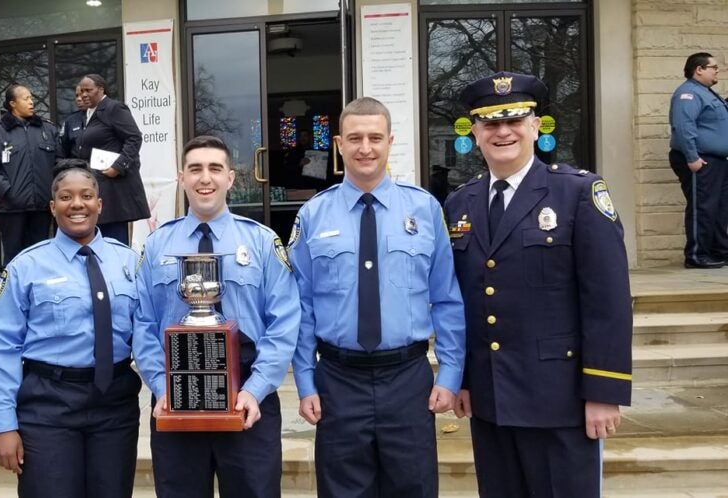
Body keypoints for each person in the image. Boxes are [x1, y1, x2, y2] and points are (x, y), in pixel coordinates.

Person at [444, 72, 633, 498]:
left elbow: (608, 301)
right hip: (491, 401)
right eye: (490, 123)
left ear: (536, 126)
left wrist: (604, 391)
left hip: (559, 400)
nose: (503, 132)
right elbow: (466, 301)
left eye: (515, 120)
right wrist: (464, 379)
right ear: (474, 133)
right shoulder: (460, 203)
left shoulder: (578, 193)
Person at [290, 97, 465, 497]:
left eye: (374, 137)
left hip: (408, 380)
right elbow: (301, 305)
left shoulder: (424, 209)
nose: (364, 148)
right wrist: (305, 380)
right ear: (338, 143)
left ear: (390, 141)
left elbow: (447, 298)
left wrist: (451, 374)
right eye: (354, 138)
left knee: (414, 488)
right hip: (337, 380)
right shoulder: (313, 216)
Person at [134, 135, 300, 497]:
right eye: (195, 169)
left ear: (230, 178)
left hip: (248, 393)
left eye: (214, 168)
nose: (204, 178)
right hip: (176, 392)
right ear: (182, 178)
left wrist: (256, 390)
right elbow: (143, 324)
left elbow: (284, 322)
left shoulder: (261, 241)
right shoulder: (158, 244)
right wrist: (163, 389)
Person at [0, 166, 142, 498]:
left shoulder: (130, 263)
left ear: (100, 204)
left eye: (86, 196)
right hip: (48, 405)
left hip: (114, 404)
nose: (77, 204)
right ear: (52, 206)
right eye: (66, 197)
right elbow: (3, 348)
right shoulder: (25, 266)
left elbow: (148, 333)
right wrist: (3, 424)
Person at [0, 83, 61, 266]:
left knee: (42, 255)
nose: (32, 102)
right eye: (26, 99)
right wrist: (8, 191)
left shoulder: (48, 130)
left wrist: (53, 191)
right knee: (14, 258)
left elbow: (60, 163)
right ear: (13, 103)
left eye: (32, 98)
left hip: (43, 206)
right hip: (11, 207)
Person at [69, 74, 150, 244]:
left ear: (100, 89)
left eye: (88, 90)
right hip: (97, 184)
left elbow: (134, 138)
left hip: (113, 188)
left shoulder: (114, 108)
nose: (83, 95)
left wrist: (119, 166)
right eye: (81, 91)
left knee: (113, 240)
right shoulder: (89, 114)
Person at [669, 52, 728, 268]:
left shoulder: (707, 93)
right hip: (700, 160)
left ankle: (719, 251)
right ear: (699, 69)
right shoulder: (689, 94)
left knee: (719, 208)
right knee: (702, 207)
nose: (717, 70)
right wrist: (692, 158)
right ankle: (696, 256)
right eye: (713, 67)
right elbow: (684, 127)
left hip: (717, 160)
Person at [59, 86, 90, 157]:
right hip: (77, 165)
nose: (79, 99)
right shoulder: (70, 121)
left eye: (82, 95)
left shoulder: (104, 116)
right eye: (77, 96)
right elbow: (64, 149)